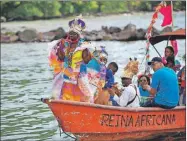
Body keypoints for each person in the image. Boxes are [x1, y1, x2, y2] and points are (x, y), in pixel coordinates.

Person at [48, 16, 87, 101]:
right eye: (71, 33)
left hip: (80, 72)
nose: (72, 35)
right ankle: (63, 101)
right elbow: (60, 57)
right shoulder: (64, 44)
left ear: (79, 35)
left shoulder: (84, 46)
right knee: (64, 88)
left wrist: (81, 64)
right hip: (66, 71)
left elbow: (89, 59)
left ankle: (81, 103)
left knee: (82, 92)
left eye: (74, 33)